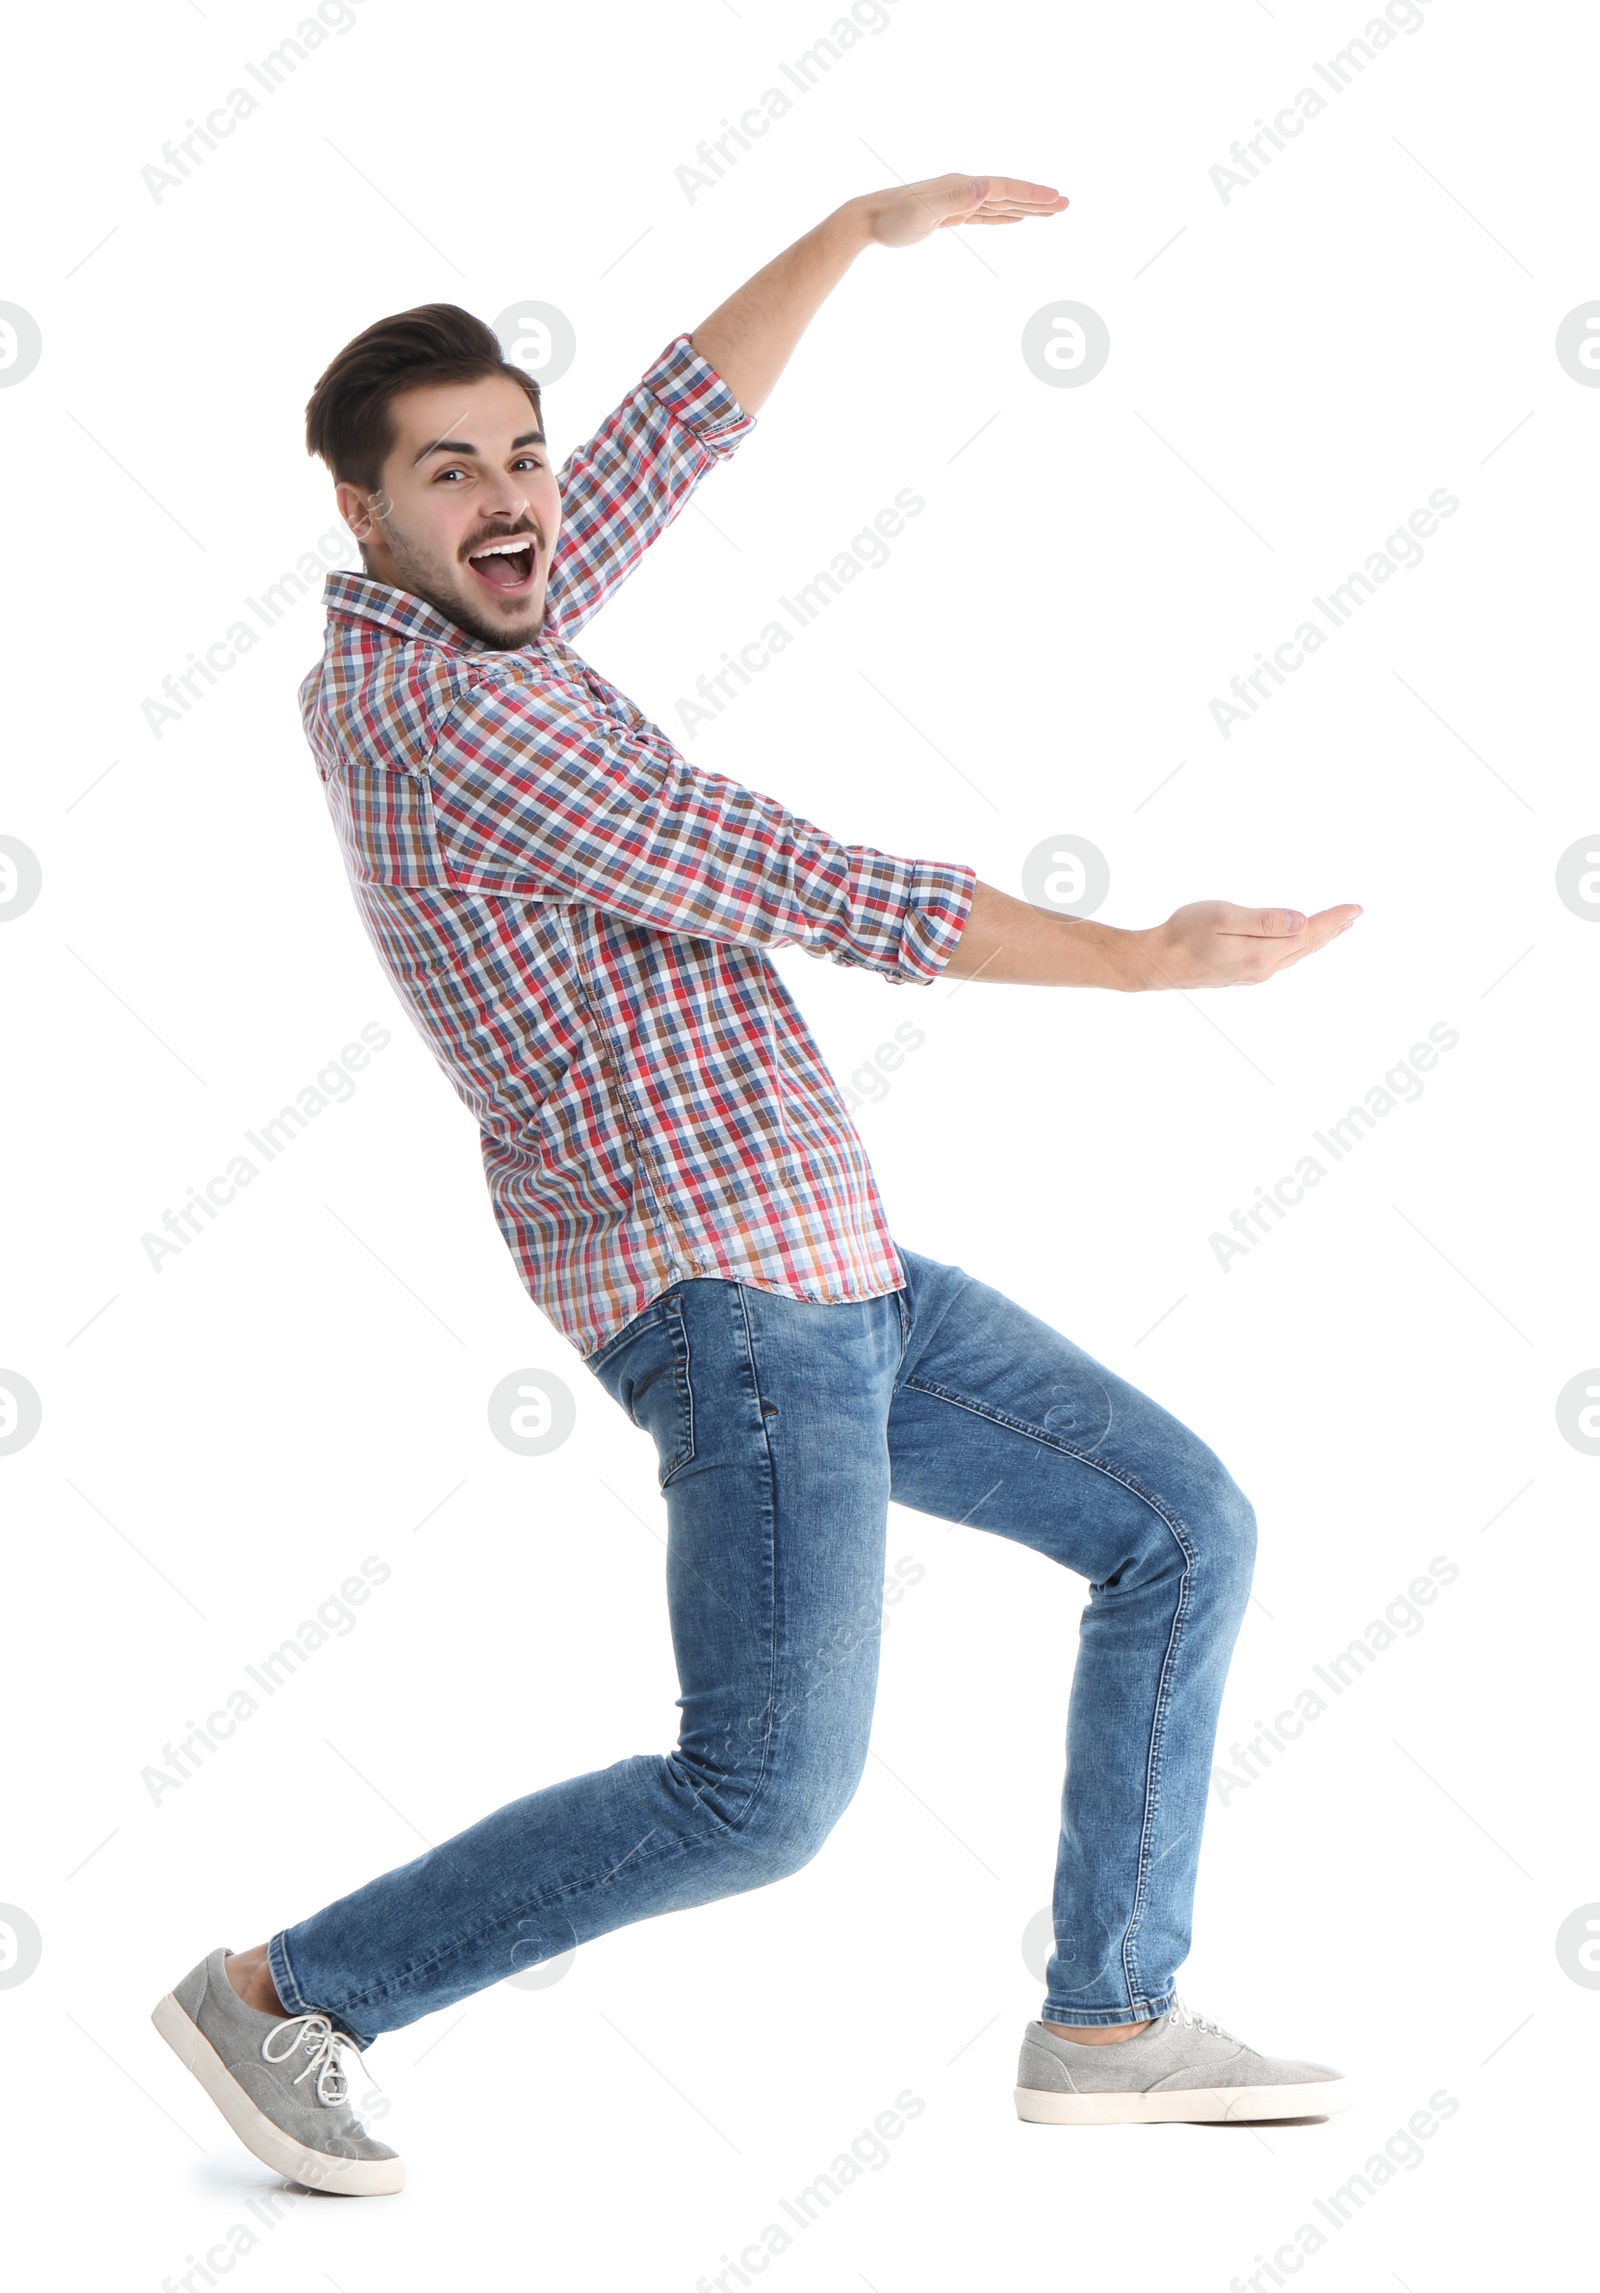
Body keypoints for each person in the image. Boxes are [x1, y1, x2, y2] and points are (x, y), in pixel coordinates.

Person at [152, 174, 1360, 2195]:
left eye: (515, 455)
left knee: (1176, 1524)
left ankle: (1108, 2016)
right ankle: (291, 1997)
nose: (512, 494)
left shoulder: (476, 616)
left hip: (843, 1272)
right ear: (361, 515)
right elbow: (808, 881)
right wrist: (1142, 956)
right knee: (758, 1799)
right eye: (451, 471)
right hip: (733, 1307)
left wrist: (855, 230)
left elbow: (649, 450)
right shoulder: (449, 719)